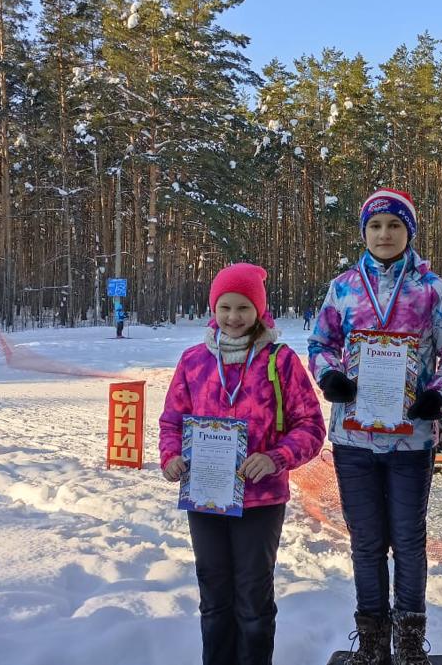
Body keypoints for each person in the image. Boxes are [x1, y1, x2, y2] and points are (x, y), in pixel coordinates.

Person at [308, 188, 442, 665]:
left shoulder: (432, 289)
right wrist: (330, 378)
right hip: (353, 435)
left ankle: (408, 642)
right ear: (364, 232)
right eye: (376, 226)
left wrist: (438, 395)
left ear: (409, 232)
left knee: (407, 539)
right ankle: (374, 643)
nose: (385, 234)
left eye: (394, 225)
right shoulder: (343, 287)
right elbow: (320, 342)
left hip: (411, 437)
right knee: (364, 541)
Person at [159, 263, 326, 665]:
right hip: (206, 497)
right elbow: (172, 420)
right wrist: (170, 458)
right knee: (214, 597)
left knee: (252, 598)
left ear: (259, 310)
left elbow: (312, 426)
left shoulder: (281, 361)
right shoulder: (194, 361)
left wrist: (275, 458)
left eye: (244, 308)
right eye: (225, 307)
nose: (234, 318)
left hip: (261, 501)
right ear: (213, 309)